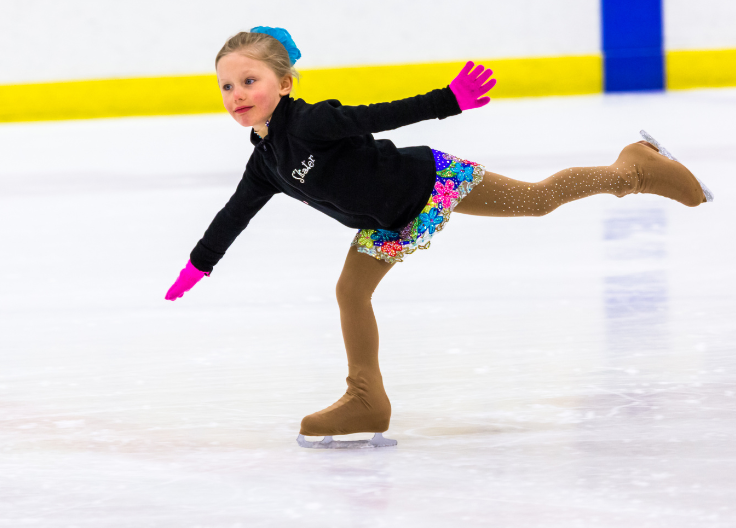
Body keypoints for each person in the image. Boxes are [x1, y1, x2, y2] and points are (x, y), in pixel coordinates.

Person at [165, 26, 713, 449]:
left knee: (537, 200)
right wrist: (198, 265)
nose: (237, 94)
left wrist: (448, 99)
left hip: (429, 183)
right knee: (351, 292)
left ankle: (633, 170)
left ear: (284, 85)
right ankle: (366, 400)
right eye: (227, 86)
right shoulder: (266, 162)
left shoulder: (309, 124)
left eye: (250, 81)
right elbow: (234, 214)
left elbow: (377, 116)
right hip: (387, 224)